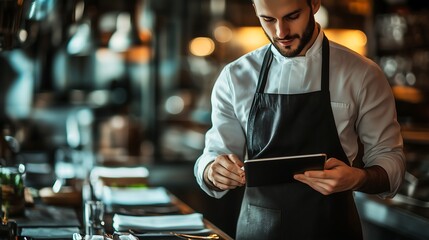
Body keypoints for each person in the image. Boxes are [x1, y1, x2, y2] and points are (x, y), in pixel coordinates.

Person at [194, 0, 406, 239]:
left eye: (292, 16)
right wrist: (212, 171)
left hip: (333, 230)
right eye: (268, 20)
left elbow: (392, 163)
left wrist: (359, 178)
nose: (280, 32)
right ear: (255, 10)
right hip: (257, 232)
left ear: (314, 4)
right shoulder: (235, 77)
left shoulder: (362, 74)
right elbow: (212, 155)